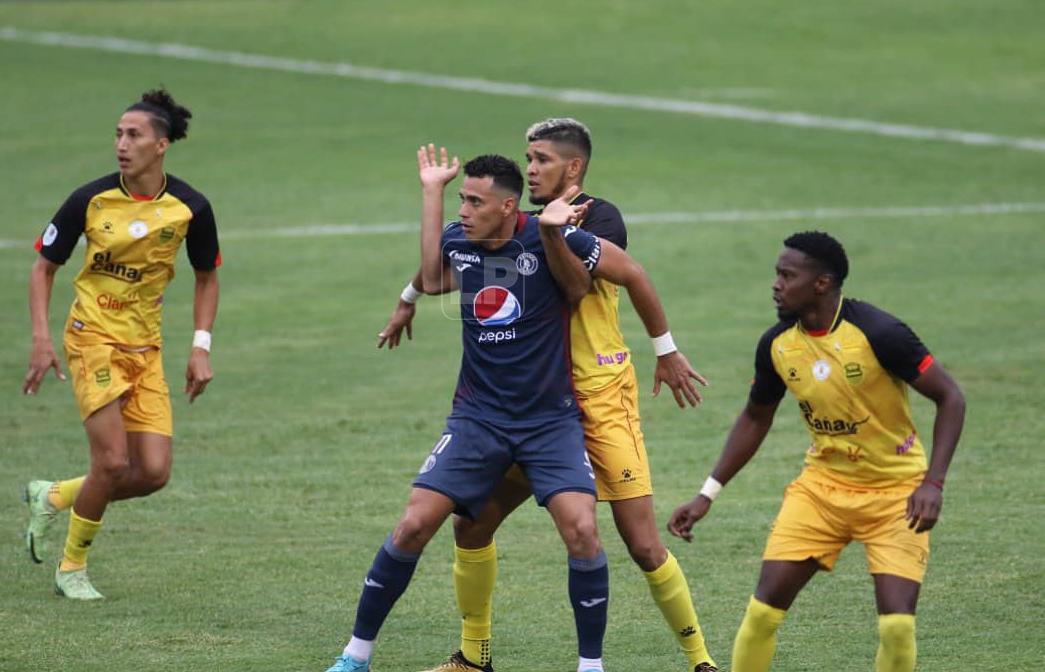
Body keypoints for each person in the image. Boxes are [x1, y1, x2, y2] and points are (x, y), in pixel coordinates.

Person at [379, 118, 717, 672]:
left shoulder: (598, 218)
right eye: (528, 159)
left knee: (641, 543)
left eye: (541, 160)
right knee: (471, 523)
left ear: (573, 167)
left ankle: (700, 659)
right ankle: (474, 657)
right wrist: (409, 296)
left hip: (598, 398)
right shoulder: (524, 226)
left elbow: (606, 278)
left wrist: (666, 349)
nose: (530, 169)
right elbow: (462, 260)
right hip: (536, 407)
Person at [668, 231, 965, 672]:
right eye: (777, 274)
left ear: (821, 283)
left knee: (897, 628)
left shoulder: (879, 333)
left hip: (895, 496)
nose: (776, 285)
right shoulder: (777, 344)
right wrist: (707, 493)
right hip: (821, 492)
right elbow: (756, 417)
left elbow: (950, 397)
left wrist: (933, 483)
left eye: (787, 276)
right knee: (762, 613)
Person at [22, 88, 221, 600]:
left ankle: (54, 495)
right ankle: (71, 568)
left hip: (145, 349)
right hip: (92, 338)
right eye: (118, 134)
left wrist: (200, 346)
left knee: (152, 472)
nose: (121, 144)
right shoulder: (89, 200)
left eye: (134, 135)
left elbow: (206, 277)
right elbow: (44, 268)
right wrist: (42, 338)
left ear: (161, 145)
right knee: (111, 463)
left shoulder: (191, 208)